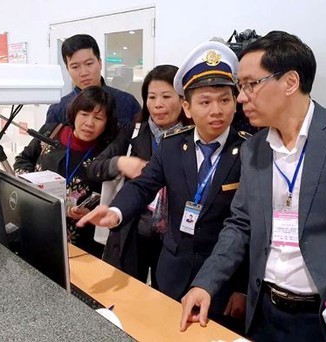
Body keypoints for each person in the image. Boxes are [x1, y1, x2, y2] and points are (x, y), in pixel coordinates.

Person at [180, 31, 326, 342]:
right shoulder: (255, 148)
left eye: (249, 84)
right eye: (240, 87)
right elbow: (240, 224)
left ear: (289, 82)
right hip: (264, 310)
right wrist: (205, 282)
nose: (242, 97)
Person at [78, 41, 250, 333]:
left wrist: (243, 287)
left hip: (224, 283)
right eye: (205, 102)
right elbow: (143, 185)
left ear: (236, 101)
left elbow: (252, 227)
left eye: (224, 100)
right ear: (188, 106)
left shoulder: (249, 152)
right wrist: (117, 211)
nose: (216, 111)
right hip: (171, 272)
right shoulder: (172, 146)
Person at [87, 64, 189, 288]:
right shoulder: (133, 130)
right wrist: (121, 162)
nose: (158, 104)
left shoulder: (193, 137)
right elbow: (94, 168)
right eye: (151, 97)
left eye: (166, 96)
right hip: (131, 231)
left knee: (165, 301)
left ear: (183, 100)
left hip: (174, 238)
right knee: (126, 298)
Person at [15, 86, 118, 258]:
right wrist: (30, 183)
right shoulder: (51, 132)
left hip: (81, 240)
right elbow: (23, 159)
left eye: (98, 118)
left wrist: (90, 212)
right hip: (38, 224)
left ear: (107, 122)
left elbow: (110, 194)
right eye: (84, 114)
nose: (89, 123)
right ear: (74, 113)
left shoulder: (107, 152)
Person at [45, 34, 141, 129]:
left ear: (99, 63)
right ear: (67, 69)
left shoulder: (127, 102)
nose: (83, 73)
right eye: (75, 67)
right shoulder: (58, 110)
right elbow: (46, 143)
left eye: (89, 64)